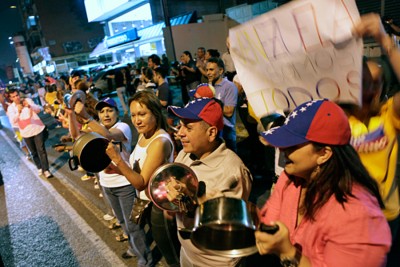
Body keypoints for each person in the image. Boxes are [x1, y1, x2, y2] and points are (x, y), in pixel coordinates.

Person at [257, 99, 391, 267]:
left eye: (292, 144)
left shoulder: (357, 215)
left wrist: (288, 252)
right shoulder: (290, 179)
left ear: (323, 153)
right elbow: (269, 225)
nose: (282, 149)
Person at [167, 97, 252, 267]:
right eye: (180, 125)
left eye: (188, 127)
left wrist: (194, 199)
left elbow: (229, 230)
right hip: (188, 254)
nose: (180, 132)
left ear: (211, 133)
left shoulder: (233, 171)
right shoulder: (185, 154)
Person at [106, 90, 181, 267]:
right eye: (133, 115)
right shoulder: (144, 134)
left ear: (155, 113)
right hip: (144, 201)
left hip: (159, 207)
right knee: (138, 229)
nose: (137, 120)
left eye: (142, 114)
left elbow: (141, 182)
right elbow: (138, 168)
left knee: (171, 253)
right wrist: (117, 170)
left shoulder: (159, 142)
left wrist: (117, 159)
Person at [348, 13, 400, 267]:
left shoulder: (389, 115)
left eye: (377, 83)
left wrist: (384, 40)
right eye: (364, 83)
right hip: (348, 218)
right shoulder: (339, 119)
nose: (371, 89)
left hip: (386, 216)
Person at [7, 88, 53, 178]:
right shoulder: (11, 108)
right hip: (25, 132)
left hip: (37, 128)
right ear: (11, 98)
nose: (16, 98)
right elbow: (13, 121)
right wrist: (18, 112)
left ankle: (46, 170)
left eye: (17, 95)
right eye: (13, 97)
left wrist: (29, 106)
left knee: (41, 150)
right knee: (33, 152)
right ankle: (39, 167)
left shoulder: (27, 100)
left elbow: (38, 109)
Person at [206, 57, 238, 152]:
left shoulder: (229, 86)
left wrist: (213, 101)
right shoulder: (209, 86)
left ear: (220, 71)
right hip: (213, 131)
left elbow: (229, 112)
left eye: (211, 70)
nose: (208, 73)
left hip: (226, 132)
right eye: (207, 70)